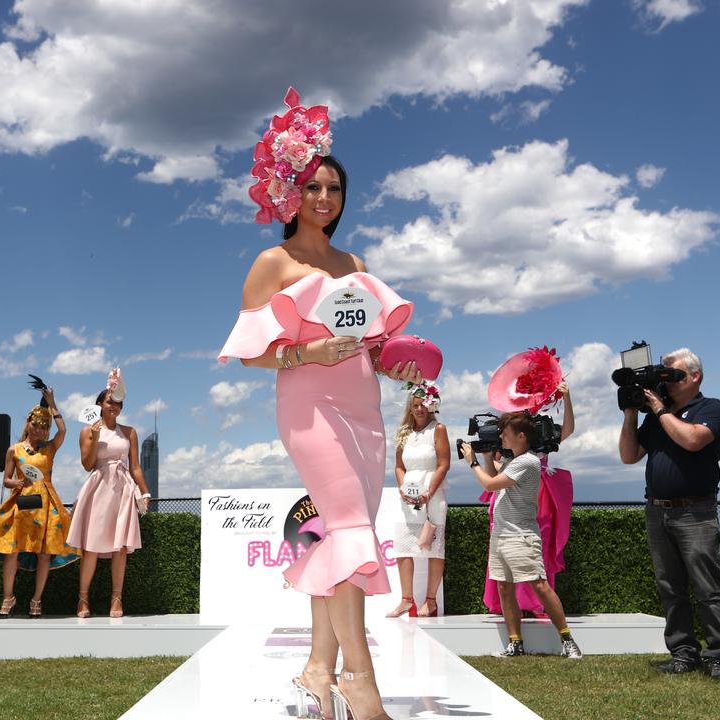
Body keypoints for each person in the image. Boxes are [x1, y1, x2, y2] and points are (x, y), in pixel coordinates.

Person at [219, 87, 420, 720]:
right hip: (309, 406)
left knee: (341, 537)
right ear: (290, 194)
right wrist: (306, 354)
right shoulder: (272, 262)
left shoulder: (354, 262)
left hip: (365, 408)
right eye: (313, 188)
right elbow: (249, 353)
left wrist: (400, 364)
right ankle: (362, 683)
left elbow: (375, 344)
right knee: (353, 531)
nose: (325, 200)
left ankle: (315, 673)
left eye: (334, 190)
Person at [618, 347, 720, 681]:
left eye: (675, 375)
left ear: (695, 376)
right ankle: (683, 653)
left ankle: (719, 657)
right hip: (658, 511)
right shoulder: (657, 416)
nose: (667, 383)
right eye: (665, 376)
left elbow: (694, 440)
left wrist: (658, 409)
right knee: (671, 588)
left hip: (695, 511)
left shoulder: (711, 408)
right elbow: (629, 455)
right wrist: (631, 414)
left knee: (707, 588)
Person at [462, 413, 582, 659]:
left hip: (521, 535)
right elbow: (495, 475)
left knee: (540, 585)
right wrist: (485, 455)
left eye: (505, 433)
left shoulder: (528, 461)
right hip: (502, 534)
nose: (501, 436)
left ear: (522, 436)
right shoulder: (513, 461)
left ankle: (568, 640)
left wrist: (472, 462)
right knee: (504, 588)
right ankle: (515, 643)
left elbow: (490, 485)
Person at [0, 386, 80, 619]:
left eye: (44, 426)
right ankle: (8, 598)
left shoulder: (50, 448)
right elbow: (6, 480)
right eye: (36, 424)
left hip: (46, 502)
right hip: (23, 502)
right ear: (28, 423)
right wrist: (17, 482)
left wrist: (52, 404)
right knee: (12, 551)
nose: (40, 430)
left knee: (44, 554)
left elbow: (63, 430)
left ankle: (36, 600)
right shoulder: (14, 450)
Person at [67, 371, 152, 619]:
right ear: (100, 405)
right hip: (98, 487)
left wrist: (145, 492)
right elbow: (88, 464)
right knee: (90, 547)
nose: (114, 406)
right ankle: (83, 599)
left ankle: (117, 598)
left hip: (123, 489)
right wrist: (94, 436)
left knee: (120, 548)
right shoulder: (87, 431)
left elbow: (135, 465)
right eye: (109, 402)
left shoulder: (130, 431)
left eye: (117, 402)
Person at [387, 384, 449, 619]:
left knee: (434, 548)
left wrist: (429, 492)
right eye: (415, 405)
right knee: (404, 548)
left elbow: (444, 464)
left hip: (432, 494)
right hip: (409, 495)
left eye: (423, 404)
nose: (419, 409)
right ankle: (406, 600)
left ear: (431, 405)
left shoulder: (438, 429)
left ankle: (430, 600)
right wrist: (403, 487)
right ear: (410, 408)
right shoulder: (404, 432)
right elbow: (399, 466)